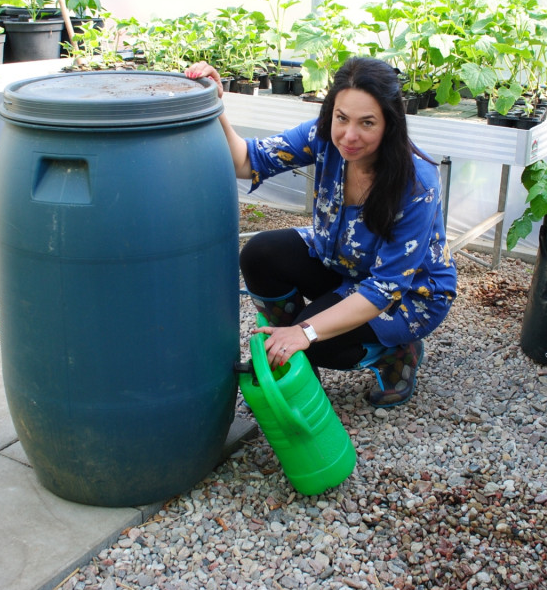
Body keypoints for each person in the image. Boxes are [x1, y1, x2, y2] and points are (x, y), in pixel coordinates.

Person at [185, 56, 457, 407]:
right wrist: (215, 103)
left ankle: (396, 353)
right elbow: (247, 161)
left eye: (367, 123)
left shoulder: (417, 184)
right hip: (342, 260)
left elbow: (384, 288)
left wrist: (306, 331)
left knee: (321, 342)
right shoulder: (323, 136)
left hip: (405, 295)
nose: (349, 135)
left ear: (390, 124)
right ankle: (289, 351)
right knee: (260, 254)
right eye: (341, 118)